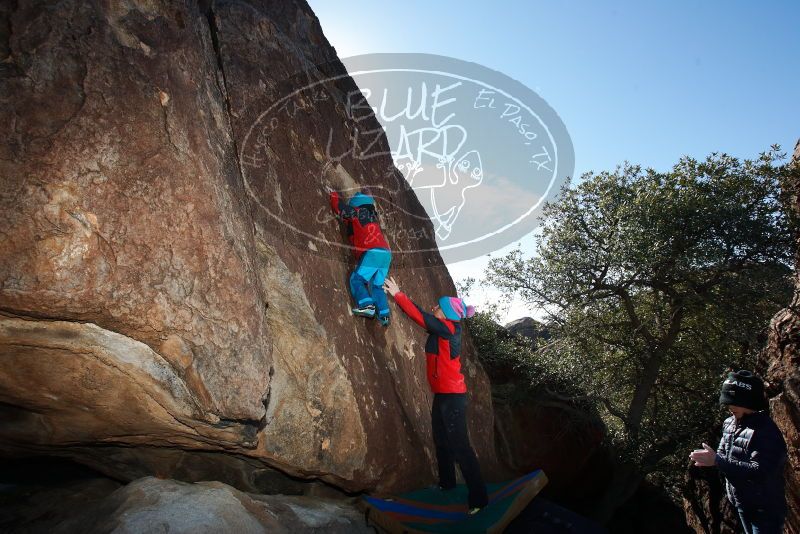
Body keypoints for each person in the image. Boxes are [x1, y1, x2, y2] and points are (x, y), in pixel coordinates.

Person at [382, 276, 489, 514]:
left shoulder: (450, 328)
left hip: (453, 396)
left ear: (448, 313)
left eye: (439, 306)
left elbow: (421, 317)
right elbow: (426, 315)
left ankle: (480, 499)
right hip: (442, 395)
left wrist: (398, 293)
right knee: (441, 440)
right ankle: (447, 483)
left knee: (461, 446)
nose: (434, 307)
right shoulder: (443, 328)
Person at [689, 370, 787, 534]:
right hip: (741, 504)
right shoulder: (729, 424)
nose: (728, 407)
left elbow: (761, 472)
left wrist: (717, 461)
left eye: (733, 402)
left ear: (748, 401)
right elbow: (722, 455)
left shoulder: (766, 430)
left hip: (765, 508)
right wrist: (711, 459)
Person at [330, 190, 392, 326]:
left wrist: (334, 195)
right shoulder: (373, 219)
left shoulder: (356, 212)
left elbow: (339, 208)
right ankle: (384, 315)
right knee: (377, 286)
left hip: (372, 252)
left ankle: (367, 305)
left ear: (356, 204)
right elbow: (355, 234)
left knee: (357, 279)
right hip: (386, 255)